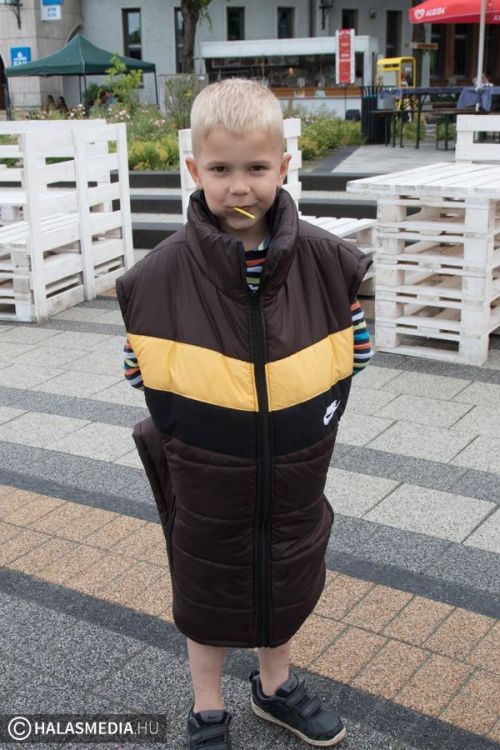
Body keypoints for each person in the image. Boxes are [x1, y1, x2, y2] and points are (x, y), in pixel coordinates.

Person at [116, 78, 373, 750]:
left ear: (283, 166)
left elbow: (355, 349)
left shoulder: (327, 263)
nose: (239, 188)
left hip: (295, 473)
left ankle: (274, 685)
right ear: (194, 170)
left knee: (284, 584)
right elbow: (140, 369)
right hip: (206, 479)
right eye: (221, 170)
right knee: (205, 595)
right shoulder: (159, 277)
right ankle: (207, 708)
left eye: (256, 168)